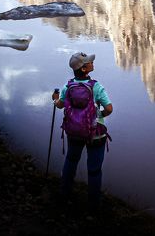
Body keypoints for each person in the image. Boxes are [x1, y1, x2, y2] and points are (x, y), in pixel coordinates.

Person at [53, 51, 112, 211]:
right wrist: (98, 114)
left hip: (74, 132)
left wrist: (55, 98)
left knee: (71, 161)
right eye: (89, 62)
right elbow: (109, 108)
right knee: (94, 169)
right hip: (95, 133)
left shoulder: (68, 86)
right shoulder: (96, 87)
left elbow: (60, 105)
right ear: (85, 69)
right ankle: (93, 204)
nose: (92, 63)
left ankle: (65, 194)